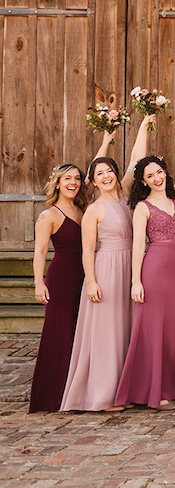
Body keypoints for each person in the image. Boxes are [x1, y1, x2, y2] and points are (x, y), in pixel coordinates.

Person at [113, 120, 175, 410]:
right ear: (143, 181)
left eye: (159, 172)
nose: (157, 178)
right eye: (150, 175)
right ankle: (153, 392)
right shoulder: (142, 208)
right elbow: (137, 247)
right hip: (154, 272)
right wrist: (136, 281)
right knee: (153, 330)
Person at [60, 116, 154, 412]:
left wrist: (142, 127)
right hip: (107, 269)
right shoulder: (94, 210)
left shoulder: (127, 198)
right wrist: (91, 282)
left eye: (109, 171)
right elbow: (87, 251)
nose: (106, 176)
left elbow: (137, 158)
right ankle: (103, 393)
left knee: (127, 328)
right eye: (99, 173)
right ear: (93, 179)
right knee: (107, 332)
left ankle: (127, 388)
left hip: (132, 266)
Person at [28, 163, 87, 413]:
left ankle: (76, 391)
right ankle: (52, 394)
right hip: (61, 279)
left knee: (79, 332)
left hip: (83, 277)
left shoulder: (82, 209)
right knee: (59, 333)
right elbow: (40, 251)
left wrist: (106, 138)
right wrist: (38, 282)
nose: (72, 182)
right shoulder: (48, 215)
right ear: (58, 183)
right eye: (67, 178)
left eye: (76, 178)